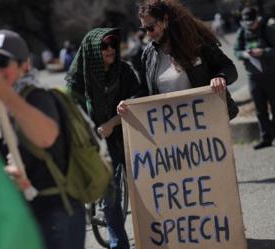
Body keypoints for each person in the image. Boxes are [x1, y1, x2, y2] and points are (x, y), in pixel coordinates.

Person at [0, 29, 86, 249]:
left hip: (56, 217)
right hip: (23, 219)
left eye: (1, 62)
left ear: (24, 66)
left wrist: (6, 96)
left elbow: (46, 137)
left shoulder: (37, 98)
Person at [65, 28, 142, 249]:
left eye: (113, 44)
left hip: (122, 137)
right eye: (104, 46)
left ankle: (155, 245)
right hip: (91, 143)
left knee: (141, 191)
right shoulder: (79, 77)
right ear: (92, 51)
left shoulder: (125, 71)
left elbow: (138, 99)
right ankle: (120, 248)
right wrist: (91, 130)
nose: (109, 49)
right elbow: (71, 112)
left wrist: (113, 121)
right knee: (109, 198)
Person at [117, 0, 239, 123]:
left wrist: (220, 78)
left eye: (151, 28)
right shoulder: (148, 55)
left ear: (165, 20)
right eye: (144, 29)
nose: (148, 34)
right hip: (173, 130)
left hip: (206, 122)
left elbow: (229, 68)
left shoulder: (196, 43)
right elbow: (145, 90)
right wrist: (129, 103)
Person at [234, 6, 275, 149]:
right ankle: (266, 138)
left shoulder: (267, 30)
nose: (250, 25)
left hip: (271, 75)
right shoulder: (242, 32)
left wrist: (263, 52)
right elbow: (236, 51)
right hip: (253, 77)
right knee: (260, 109)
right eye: (247, 23)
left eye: (252, 22)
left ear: (257, 18)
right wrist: (245, 54)